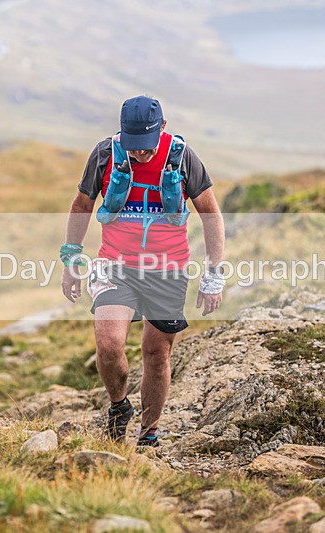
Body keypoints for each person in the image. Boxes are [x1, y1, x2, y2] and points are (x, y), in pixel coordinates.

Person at [60, 95, 225, 446]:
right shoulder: (105, 154)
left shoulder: (182, 157)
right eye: (134, 146)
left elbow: (210, 213)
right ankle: (119, 407)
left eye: (147, 147)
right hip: (114, 264)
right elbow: (82, 204)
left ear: (162, 128)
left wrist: (213, 274)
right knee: (108, 344)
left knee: (156, 351)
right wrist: (72, 258)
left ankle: (148, 433)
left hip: (168, 267)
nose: (140, 154)